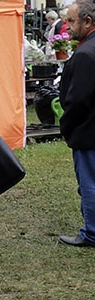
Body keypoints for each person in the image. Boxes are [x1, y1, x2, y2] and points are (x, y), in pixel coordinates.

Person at [58, 0, 95, 248]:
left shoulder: (85, 54)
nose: (67, 26)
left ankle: (91, 232)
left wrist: (66, 125)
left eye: (71, 21)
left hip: (88, 131)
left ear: (88, 21)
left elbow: (78, 100)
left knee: (90, 184)